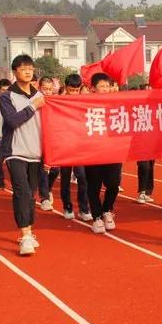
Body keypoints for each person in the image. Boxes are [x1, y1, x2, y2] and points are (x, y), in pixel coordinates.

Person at [0, 55, 46, 256]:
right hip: (15, 151)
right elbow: (12, 121)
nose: (28, 71)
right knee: (22, 191)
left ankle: (29, 230)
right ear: (14, 72)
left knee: (32, 194)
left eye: (30, 68)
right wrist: (33, 106)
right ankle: (25, 234)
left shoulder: (41, 95)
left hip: (36, 153)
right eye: (23, 68)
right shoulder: (7, 97)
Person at [48, 74, 92, 220]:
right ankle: (67, 207)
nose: (74, 92)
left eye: (76, 90)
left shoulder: (83, 102)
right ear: (65, 88)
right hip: (65, 146)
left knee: (83, 177)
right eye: (71, 90)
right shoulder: (59, 102)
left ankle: (84, 208)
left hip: (79, 146)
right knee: (65, 178)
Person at [84, 73, 123, 234]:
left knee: (114, 183)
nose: (106, 89)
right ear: (93, 89)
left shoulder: (116, 104)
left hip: (112, 150)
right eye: (102, 86)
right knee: (94, 185)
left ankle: (107, 210)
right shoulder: (84, 104)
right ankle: (97, 217)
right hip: (92, 151)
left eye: (107, 86)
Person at [37, 77, 56, 211]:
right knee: (43, 170)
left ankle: (48, 188)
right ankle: (44, 198)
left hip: (53, 142)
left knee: (55, 170)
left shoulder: (57, 102)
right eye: (45, 89)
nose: (48, 92)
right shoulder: (36, 102)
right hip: (38, 141)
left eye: (50, 89)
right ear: (40, 88)